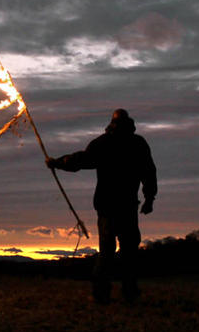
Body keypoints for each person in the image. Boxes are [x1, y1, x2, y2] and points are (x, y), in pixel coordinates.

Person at [46, 109, 157, 304]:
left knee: (109, 250)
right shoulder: (136, 143)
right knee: (127, 250)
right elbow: (149, 173)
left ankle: (103, 293)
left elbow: (80, 160)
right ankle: (126, 291)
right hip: (124, 205)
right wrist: (149, 199)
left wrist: (57, 162)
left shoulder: (106, 143)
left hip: (109, 205)